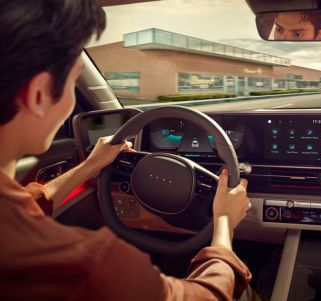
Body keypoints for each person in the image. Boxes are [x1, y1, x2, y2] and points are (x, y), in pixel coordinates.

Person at [0, 0, 252, 300]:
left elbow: (27, 203)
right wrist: (223, 222)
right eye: (72, 82)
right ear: (39, 94)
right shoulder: (88, 266)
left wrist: (90, 166)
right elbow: (208, 296)